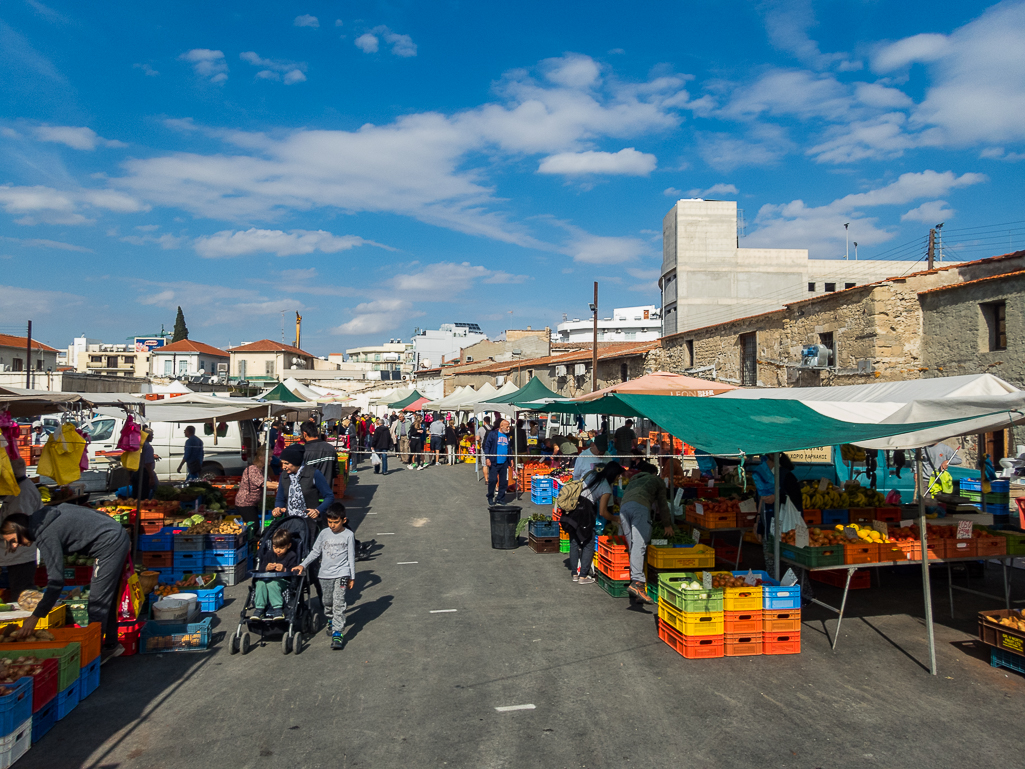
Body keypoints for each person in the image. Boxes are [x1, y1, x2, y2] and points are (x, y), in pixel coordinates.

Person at [2, 505, 131, 653]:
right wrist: (120, 532)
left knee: (97, 605)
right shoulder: (47, 514)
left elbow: (56, 581)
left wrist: (36, 616)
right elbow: (92, 512)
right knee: (106, 598)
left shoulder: (45, 535)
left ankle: (93, 655)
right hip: (115, 536)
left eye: (13, 540)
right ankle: (111, 645)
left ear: (20, 529)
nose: (15, 545)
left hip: (110, 544)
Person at [293, 503, 355, 650]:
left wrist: (352, 576)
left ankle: (337, 633)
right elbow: (315, 552)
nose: (332, 525)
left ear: (343, 520)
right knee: (327, 602)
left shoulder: (348, 535)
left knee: (338, 603)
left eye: (336, 522)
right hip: (325, 575)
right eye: (330, 522)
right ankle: (331, 619)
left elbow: (351, 557)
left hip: (342, 573)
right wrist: (303, 564)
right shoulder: (324, 534)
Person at [618, 460, 673, 604]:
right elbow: (662, 504)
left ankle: (635, 585)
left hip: (624, 509)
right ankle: (638, 583)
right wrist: (667, 524)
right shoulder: (656, 480)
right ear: (654, 473)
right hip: (640, 509)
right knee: (639, 545)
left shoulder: (633, 480)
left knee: (632, 546)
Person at [564, 462, 625, 584]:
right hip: (585, 512)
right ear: (614, 475)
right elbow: (603, 512)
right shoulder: (606, 488)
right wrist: (616, 519)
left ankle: (574, 574)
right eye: (619, 476)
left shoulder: (592, 475)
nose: (619, 479)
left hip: (573, 508)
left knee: (574, 541)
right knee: (589, 542)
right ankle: (583, 576)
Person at [0, 458, 41, 597]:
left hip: (19, 554)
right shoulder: (19, 488)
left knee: (22, 593)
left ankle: (29, 617)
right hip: (15, 553)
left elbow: (16, 527)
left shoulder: (21, 493)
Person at [762, 453, 802, 577]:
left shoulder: (787, 476)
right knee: (771, 558)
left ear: (773, 461)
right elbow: (760, 501)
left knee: (793, 562)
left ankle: (801, 592)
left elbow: (796, 500)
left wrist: (778, 497)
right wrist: (758, 524)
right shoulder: (766, 477)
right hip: (771, 525)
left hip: (788, 526)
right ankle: (775, 589)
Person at [271, 444, 335, 519]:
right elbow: (280, 498)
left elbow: (329, 496)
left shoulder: (313, 474)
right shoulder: (284, 476)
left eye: (286, 463)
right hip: (290, 521)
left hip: (309, 522)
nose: (283, 467)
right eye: (282, 463)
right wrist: (278, 508)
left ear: (296, 462)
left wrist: (317, 510)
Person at [252, 529, 298, 620]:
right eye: (275, 547)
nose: (278, 550)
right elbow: (260, 569)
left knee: (272, 584)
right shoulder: (269, 554)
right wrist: (266, 568)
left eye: (281, 548)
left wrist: (284, 569)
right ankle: (259, 608)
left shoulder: (291, 555)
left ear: (288, 546)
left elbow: (293, 571)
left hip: (283, 581)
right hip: (267, 579)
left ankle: (277, 608)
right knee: (259, 583)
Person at [235, 448, 268, 525]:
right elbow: (263, 483)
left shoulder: (262, 469)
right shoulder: (253, 469)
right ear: (261, 458)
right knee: (254, 526)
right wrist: (279, 485)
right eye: (269, 457)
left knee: (253, 525)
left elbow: (269, 481)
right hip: (245, 503)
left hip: (253, 503)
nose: (271, 459)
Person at [483, 419, 511, 505]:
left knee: (503, 482)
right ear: (501, 426)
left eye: (509, 426)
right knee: (492, 480)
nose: (508, 428)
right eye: (507, 426)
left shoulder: (508, 435)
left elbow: (509, 448)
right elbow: (487, 446)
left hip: (504, 462)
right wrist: (487, 458)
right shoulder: (493, 434)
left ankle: (501, 498)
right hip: (494, 461)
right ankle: (490, 496)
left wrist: (511, 459)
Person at [301, 422, 339, 487]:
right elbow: (336, 470)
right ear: (317, 433)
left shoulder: (304, 451)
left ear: (304, 434)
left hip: (310, 492)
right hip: (327, 491)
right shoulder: (330, 448)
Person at [132, 427, 157, 500]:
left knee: (136, 495)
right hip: (144, 473)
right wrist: (151, 477)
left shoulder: (138, 445)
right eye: (152, 435)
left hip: (136, 471)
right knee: (144, 495)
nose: (152, 437)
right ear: (148, 436)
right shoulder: (148, 447)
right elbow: (148, 464)